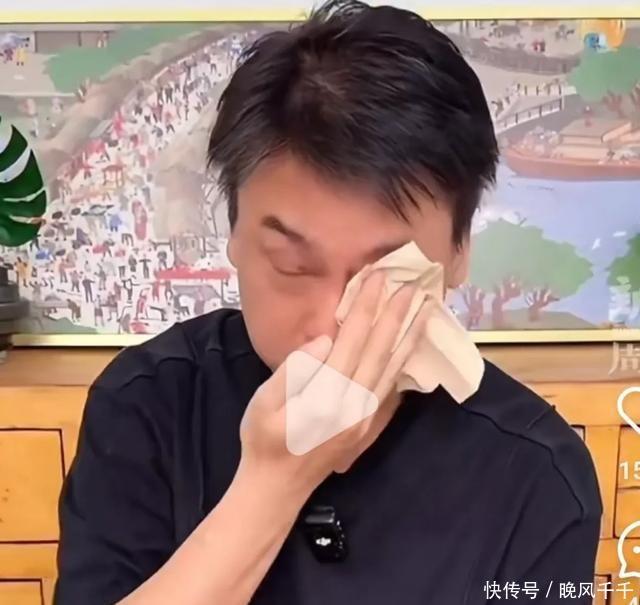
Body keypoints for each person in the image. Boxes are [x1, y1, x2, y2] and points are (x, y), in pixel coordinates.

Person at [54, 3, 602, 605]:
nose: (330, 324)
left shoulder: (535, 473)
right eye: (292, 266)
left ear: (459, 252)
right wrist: (274, 483)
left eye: (386, 276)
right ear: (233, 236)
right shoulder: (147, 407)